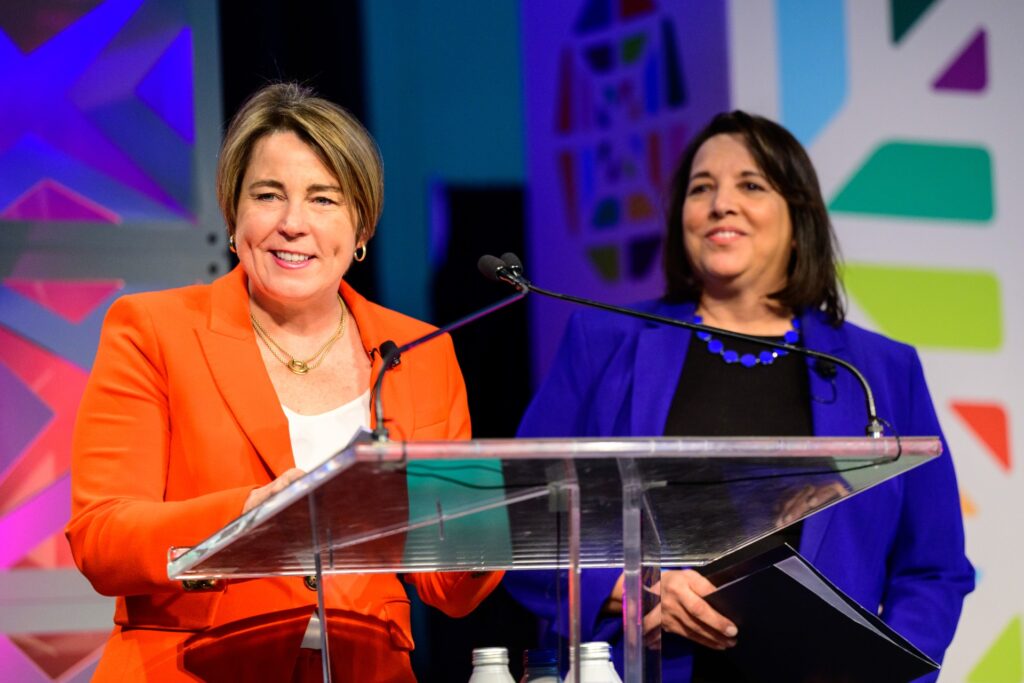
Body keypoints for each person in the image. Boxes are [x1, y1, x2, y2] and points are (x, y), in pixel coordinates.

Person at [504, 111, 973, 681]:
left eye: (750, 185)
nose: (721, 204)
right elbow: (515, 522)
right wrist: (632, 591)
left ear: (799, 219)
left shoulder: (879, 370)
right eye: (702, 189)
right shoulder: (604, 344)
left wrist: (887, 671)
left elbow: (933, 569)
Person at [66, 83, 502, 682]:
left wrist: (498, 524)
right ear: (234, 213)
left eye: (324, 200)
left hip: (365, 667)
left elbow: (448, 586)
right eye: (268, 195)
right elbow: (102, 538)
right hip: (191, 668)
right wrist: (244, 519)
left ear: (361, 226)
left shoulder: (421, 352)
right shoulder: (154, 330)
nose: (293, 224)